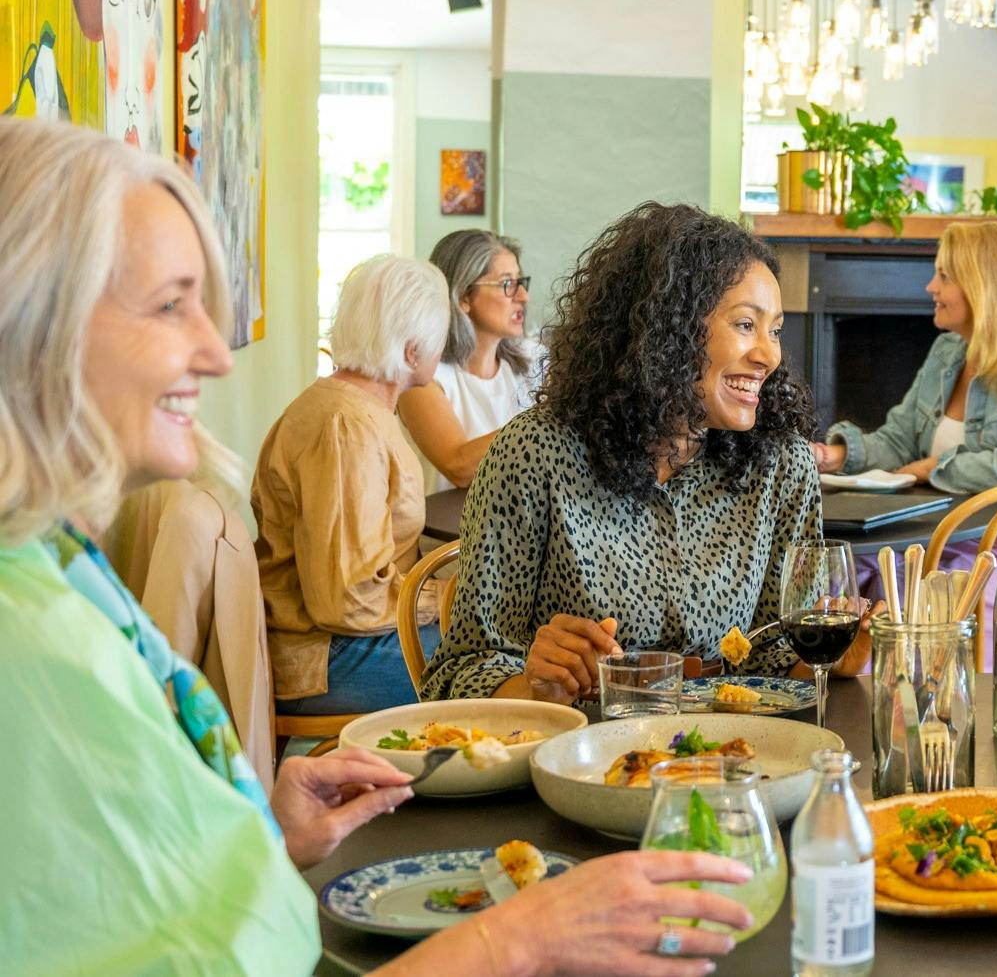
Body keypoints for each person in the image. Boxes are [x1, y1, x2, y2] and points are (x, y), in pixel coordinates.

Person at [0, 115, 751, 974]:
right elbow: (344, 599)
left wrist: (255, 832)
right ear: (30, 319)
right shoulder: (33, 646)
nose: (217, 351)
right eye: (171, 304)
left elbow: (123, 902)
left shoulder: (57, 573)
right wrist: (523, 936)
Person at [422, 202, 874, 703]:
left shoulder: (780, 466)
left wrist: (836, 661)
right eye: (746, 325)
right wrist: (536, 686)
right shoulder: (535, 455)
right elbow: (460, 672)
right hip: (582, 752)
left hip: (732, 752)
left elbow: (775, 657)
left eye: (775, 330)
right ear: (668, 329)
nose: (769, 355)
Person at [812, 220, 997, 655]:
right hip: (963, 541)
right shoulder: (949, 350)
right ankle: (857, 704)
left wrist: (934, 468)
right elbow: (900, 438)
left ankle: (939, 716)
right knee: (848, 576)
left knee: (921, 612)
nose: (931, 285)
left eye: (945, 275)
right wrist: (833, 455)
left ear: (984, 285)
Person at [254, 255, 446, 716]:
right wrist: (445, 598)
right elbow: (348, 599)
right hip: (327, 658)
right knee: (507, 660)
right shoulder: (347, 428)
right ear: (412, 350)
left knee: (504, 634)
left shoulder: (355, 411)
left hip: (346, 642)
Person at [398, 229, 543, 492]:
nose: (523, 297)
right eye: (507, 284)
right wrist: (546, 419)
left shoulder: (531, 360)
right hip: (448, 532)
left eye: (521, 282)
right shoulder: (422, 377)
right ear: (463, 296)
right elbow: (459, 468)